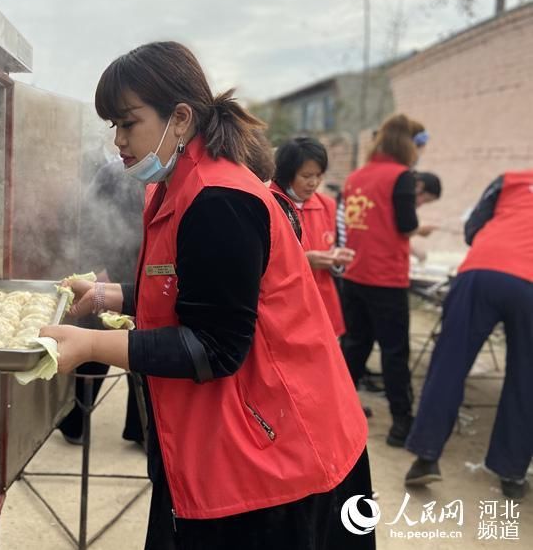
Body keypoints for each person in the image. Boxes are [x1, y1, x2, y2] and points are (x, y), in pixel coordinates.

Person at [41, 42, 373, 550]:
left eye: (127, 123)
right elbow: (193, 290)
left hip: (280, 455)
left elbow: (214, 346)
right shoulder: (175, 186)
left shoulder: (220, 199)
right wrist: (113, 295)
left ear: (179, 117)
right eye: (112, 125)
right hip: (231, 440)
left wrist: (88, 347)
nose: (117, 140)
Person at [404, 169, 533, 499]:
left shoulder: (511, 180)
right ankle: (511, 472)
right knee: (526, 379)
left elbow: (473, 228)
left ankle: (426, 457)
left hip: (481, 271)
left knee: (449, 363)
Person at [340, 114, 434, 446]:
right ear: (408, 143)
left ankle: (337, 411)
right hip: (385, 278)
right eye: (420, 144)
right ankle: (400, 425)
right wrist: (420, 230)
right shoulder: (401, 177)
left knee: (354, 347)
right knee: (394, 353)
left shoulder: (356, 176)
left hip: (354, 275)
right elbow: (405, 223)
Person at [57, 158, 145, 446]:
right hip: (111, 271)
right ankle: (74, 421)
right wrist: (98, 270)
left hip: (137, 273)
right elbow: (91, 220)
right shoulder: (114, 172)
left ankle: (139, 429)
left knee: (140, 352)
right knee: (96, 350)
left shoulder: (162, 173)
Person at [271, 137, 354, 337]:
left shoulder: (327, 206)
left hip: (322, 301)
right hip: (286, 307)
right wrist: (303, 261)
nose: (313, 183)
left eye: (318, 175)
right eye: (306, 175)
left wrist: (336, 258)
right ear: (286, 174)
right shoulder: (269, 203)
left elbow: (334, 247)